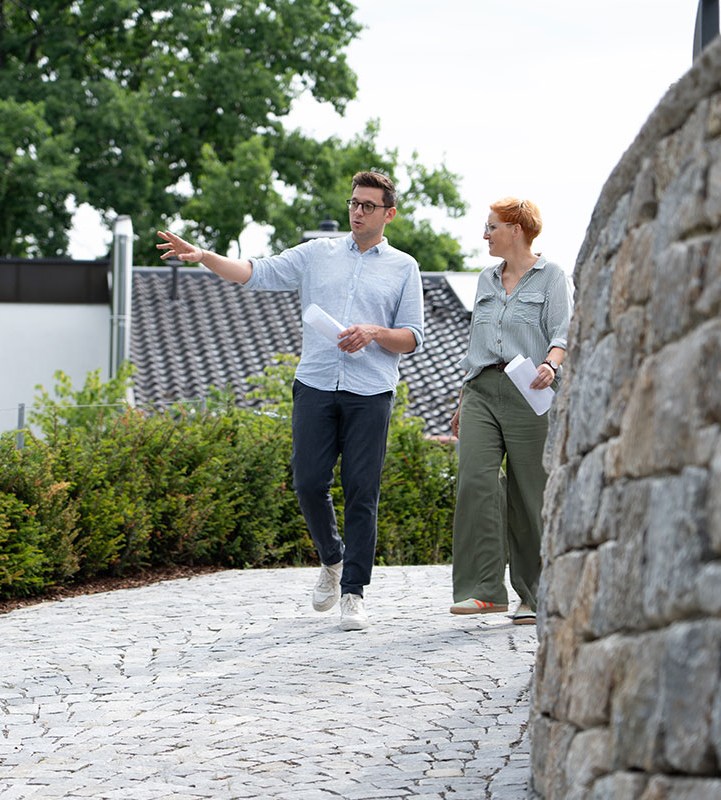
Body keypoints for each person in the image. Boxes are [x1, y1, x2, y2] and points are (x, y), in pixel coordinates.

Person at [157, 171, 424, 632]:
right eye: (354, 203)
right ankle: (332, 558)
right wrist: (202, 256)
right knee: (306, 481)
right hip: (316, 384)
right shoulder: (317, 253)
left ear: (389, 214)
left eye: (368, 206)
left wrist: (375, 332)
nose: (357, 212)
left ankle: (354, 592)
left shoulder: (404, 267)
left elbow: (412, 338)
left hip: (371, 392)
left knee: (363, 491)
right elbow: (254, 273)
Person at [449, 197, 571, 625]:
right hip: (481, 387)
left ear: (515, 229)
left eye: (492, 227)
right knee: (475, 479)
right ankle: (482, 591)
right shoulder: (485, 279)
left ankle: (536, 594)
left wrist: (550, 364)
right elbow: (473, 346)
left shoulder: (551, 277)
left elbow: (563, 331)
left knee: (529, 491)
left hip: (530, 388)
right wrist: (463, 398)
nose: (485, 235)